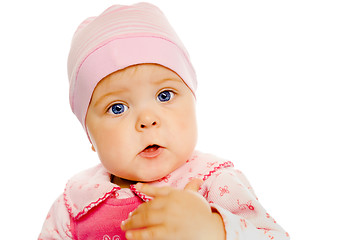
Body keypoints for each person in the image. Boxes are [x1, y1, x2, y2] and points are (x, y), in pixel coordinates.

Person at [39, 3, 289, 240]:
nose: (147, 120)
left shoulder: (214, 183)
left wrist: (213, 229)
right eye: (117, 108)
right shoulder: (74, 205)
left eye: (164, 95)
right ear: (89, 136)